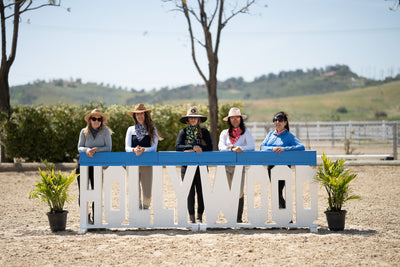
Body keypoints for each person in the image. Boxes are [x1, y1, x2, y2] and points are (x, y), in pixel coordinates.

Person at [260, 111, 305, 209]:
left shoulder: (288, 136)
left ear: (285, 122)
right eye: (275, 120)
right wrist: (272, 149)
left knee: (277, 191)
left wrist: (285, 149)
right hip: (271, 166)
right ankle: (284, 216)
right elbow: (262, 147)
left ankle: (286, 216)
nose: (277, 122)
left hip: (284, 166)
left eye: (280, 120)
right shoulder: (270, 135)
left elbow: (301, 147)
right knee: (276, 191)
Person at [175, 106, 213, 223]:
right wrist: (191, 147)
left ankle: (199, 216)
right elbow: (177, 146)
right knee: (189, 192)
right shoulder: (184, 132)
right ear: (187, 120)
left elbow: (210, 147)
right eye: (190, 118)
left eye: (195, 118)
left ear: (198, 120)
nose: (193, 120)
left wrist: (200, 147)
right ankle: (191, 216)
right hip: (186, 167)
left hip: (201, 166)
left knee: (202, 192)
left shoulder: (205, 132)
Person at [218, 107, 255, 223]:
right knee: (228, 190)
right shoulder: (224, 133)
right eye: (232, 118)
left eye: (237, 117)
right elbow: (220, 147)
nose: (235, 120)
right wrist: (229, 148)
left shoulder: (246, 133)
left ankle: (238, 218)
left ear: (240, 119)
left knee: (239, 191)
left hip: (240, 166)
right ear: (229, 119)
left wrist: (241, 148)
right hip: (226, 165)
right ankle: (230, 216)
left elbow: (252, 146)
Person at [77, 108, 112, 224]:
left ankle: (96, 218)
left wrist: (97, 150)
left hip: (97, 167)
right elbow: (79, 147)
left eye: (99, 119)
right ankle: (85, 217)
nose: (96, 121)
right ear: (90, 120)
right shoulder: (83, 131)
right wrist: (87, 150)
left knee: (96, 192)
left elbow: (109, 148)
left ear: (101, 121)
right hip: (83, 166)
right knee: (83, 192)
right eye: (94, 118)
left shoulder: (106, 132)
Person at [125, 103, 159, 210]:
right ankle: (137, 213)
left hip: (147, 163)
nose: (140, 116)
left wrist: (144, 150)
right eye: (137, 114)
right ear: (135, 116)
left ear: (145, 115)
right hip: (132, 163)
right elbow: (127, 147)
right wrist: (134, 150)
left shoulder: (153, 129)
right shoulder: (130, 130)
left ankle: (145, 209)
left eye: (142, 114)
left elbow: (154, 148)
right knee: (134, 191)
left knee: (147, 192)